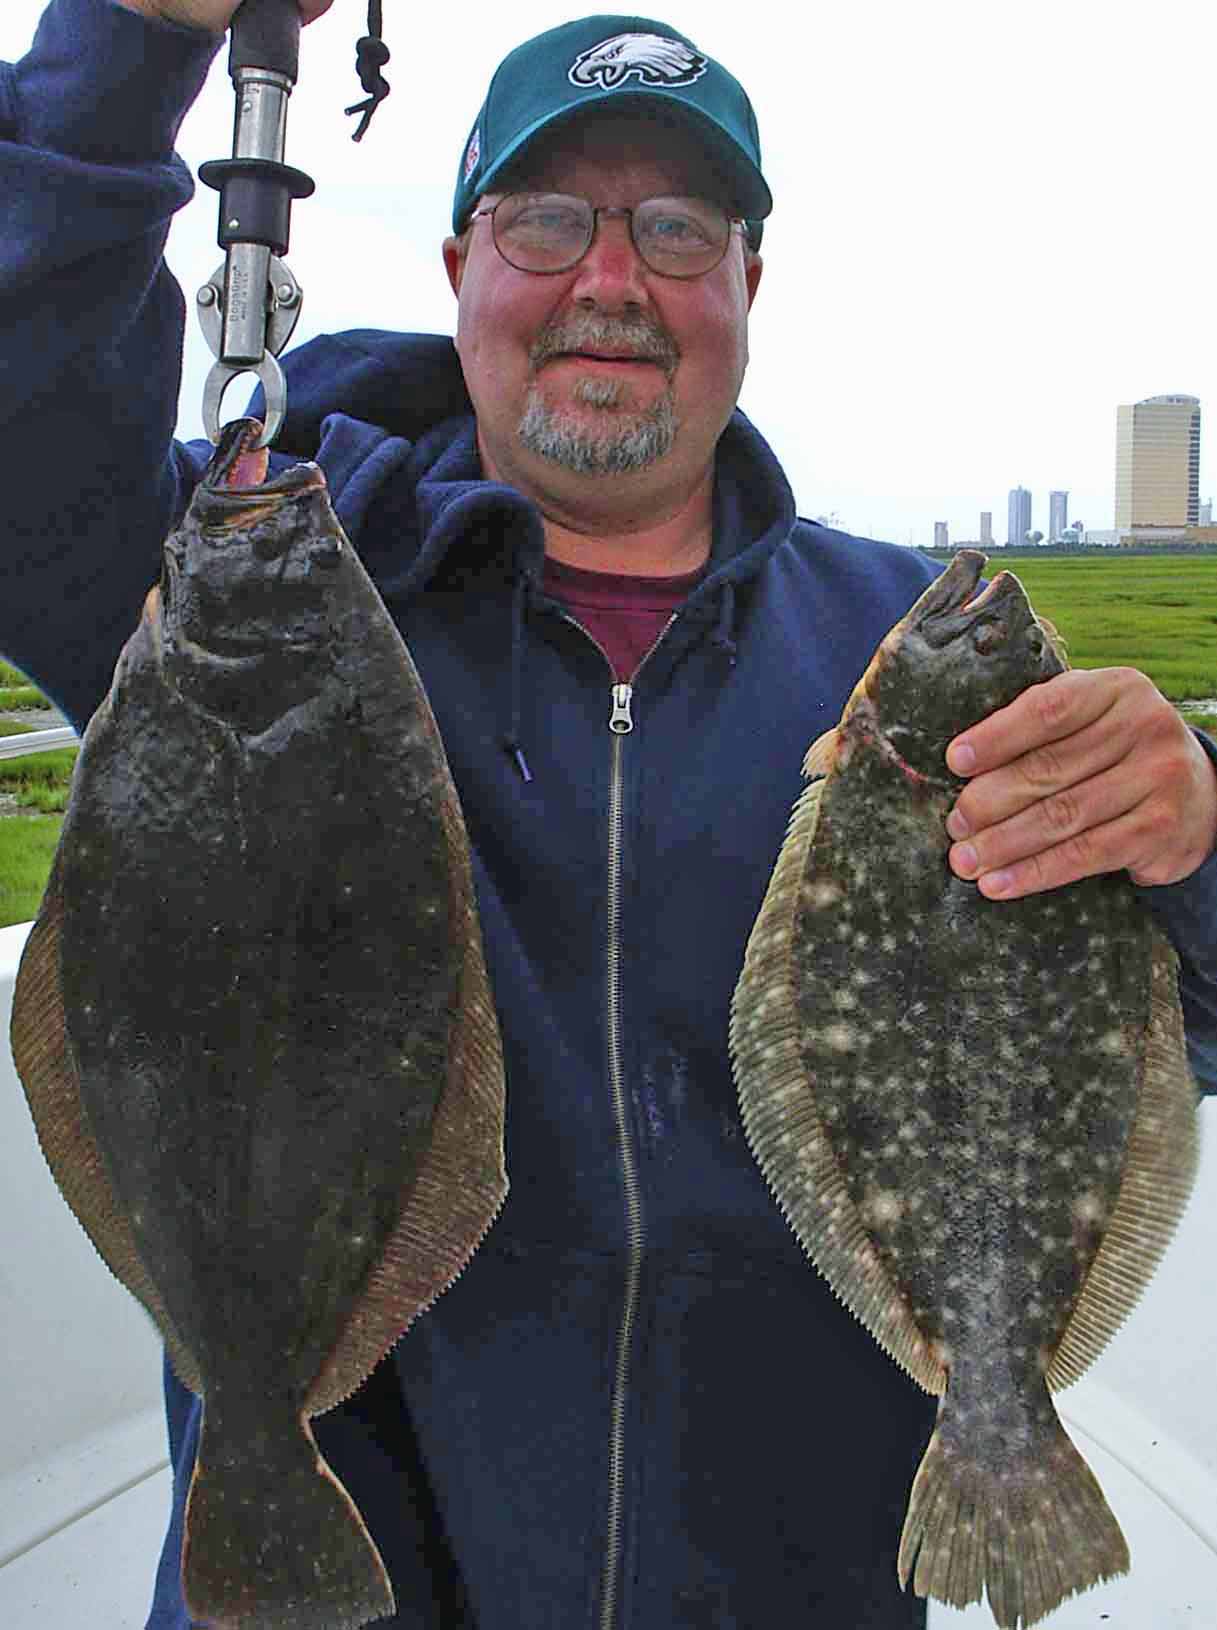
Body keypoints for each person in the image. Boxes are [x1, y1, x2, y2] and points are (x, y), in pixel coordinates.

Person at [2, 3, 1215, 1626]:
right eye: (548, 219)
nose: (609, 278)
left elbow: (1153, 1018)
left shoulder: (911, 659)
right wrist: (128, 44)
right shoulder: (257, 584)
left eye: (674, 227)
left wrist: (1194, 840)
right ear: (456, 271)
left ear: (746, 288)